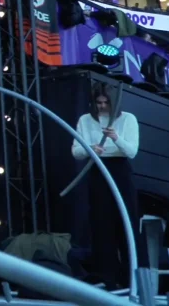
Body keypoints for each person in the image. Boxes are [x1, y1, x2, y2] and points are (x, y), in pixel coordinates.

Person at [70, 84, 140, 291]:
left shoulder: (128, 119)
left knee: (125, 221)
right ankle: (107, 276)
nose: (101, 107)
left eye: (105, 103)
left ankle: (131, 276)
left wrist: (116, 138)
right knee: (101, 224)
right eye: (98, 103)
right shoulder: (85, 120)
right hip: (97, 170)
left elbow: (132, 151)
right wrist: (90, 148)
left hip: (119, 170)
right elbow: (76, 151)